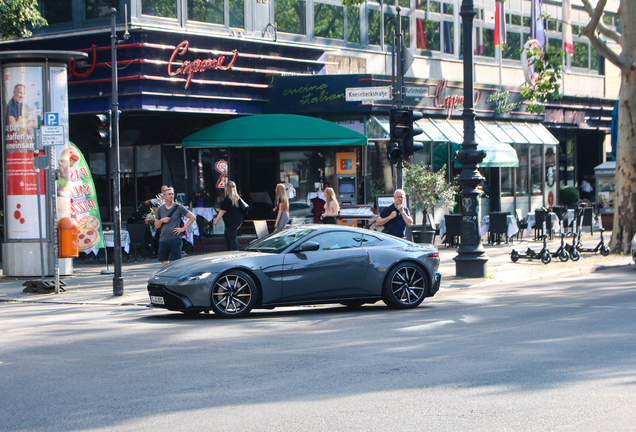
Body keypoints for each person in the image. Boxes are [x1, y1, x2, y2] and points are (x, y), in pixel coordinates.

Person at [155, 187, 195, 266]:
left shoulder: (178, 207)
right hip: (163, 239)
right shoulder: (160, 209)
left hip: (175, 238)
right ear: (164, 196)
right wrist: (161, 220)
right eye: (169, 194)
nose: (171, 196)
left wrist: (183, 228)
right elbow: (156, 225)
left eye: (172, 194)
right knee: (164, 261)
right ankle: (165, 277)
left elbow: (192, 217)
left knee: (176, 262)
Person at [213, 181, 246, 250]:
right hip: (237, 220)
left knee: (232, 238)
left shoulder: (228, 199)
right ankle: (230, 251)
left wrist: (216, 220)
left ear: (227, 188)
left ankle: (233, 252)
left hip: (230, 221)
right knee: (228, 236)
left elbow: (222, 211)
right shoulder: (238, 198)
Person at [146, 185, 168, 258]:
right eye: (162, 191)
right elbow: (154, 200)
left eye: (164, 190)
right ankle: (157, 251)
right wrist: (148, 201)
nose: (163, 192)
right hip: (159, 222)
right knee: (157, 235)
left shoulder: (169, 199)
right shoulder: (160, 199)